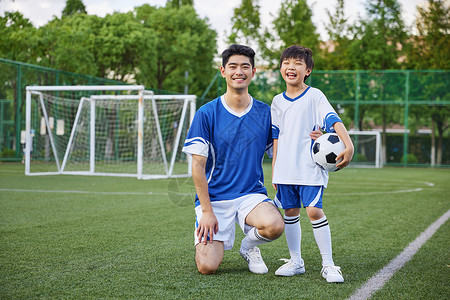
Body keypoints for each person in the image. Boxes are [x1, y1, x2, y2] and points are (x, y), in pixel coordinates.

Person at [182, 44, 284, 275]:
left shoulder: (265, 113)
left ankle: (249, 247)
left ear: (253, 72)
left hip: (251, 194)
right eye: (233, 66)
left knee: (275, 226)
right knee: (207, 267)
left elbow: (281, 151)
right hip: (215, 199)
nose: (239, 71)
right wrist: (207, 211)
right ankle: (206, 231)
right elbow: (197, 166)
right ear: (223, 71)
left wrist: (314, 140)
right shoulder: (207, 113)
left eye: (245, 67)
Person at [271, 45, 354, 282]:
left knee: (314, 211)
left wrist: (349, 144)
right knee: (290, 212)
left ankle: (328, 264)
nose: (291, 67)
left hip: (309, 169)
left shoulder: (315, 96)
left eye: (297, 63)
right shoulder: (277, 102)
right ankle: (296, 261)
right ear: (281, 68)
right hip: (285, 170)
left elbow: (332, 119)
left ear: (307, 70)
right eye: (287, 62)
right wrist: (275, 171)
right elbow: (277, 138)